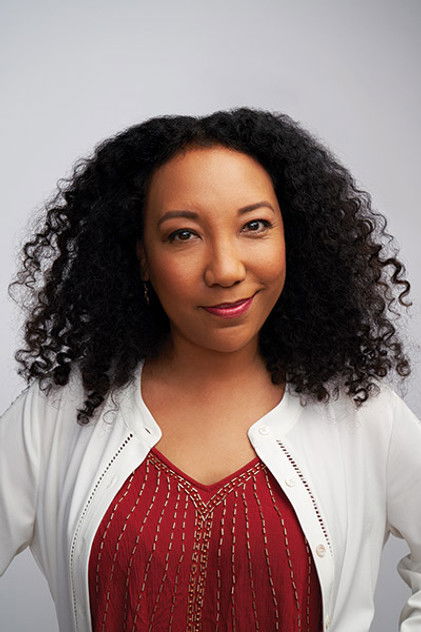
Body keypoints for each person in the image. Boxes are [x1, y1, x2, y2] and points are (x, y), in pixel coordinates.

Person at [0, 106, 420, 632]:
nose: (225, 269)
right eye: (183, 235)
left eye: (255, 226)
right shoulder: (55, 414)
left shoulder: (363, 413)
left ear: (293, 237)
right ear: (142, 257)